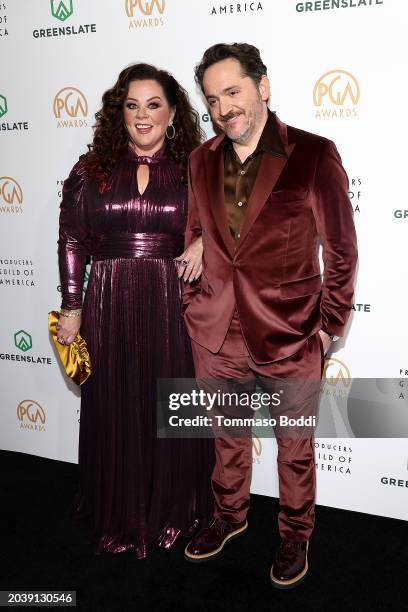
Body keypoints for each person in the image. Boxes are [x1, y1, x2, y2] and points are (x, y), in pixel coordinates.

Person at [182, 44, 358, 588]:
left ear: (263, 86)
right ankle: (231, 516)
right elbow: (196, 229)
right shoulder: (200, 158)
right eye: (212, 99)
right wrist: (194, 247)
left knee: (295, 449)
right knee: (226, 437)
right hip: (216, 329)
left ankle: (294, 534)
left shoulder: (313, 154)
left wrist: (328, 328)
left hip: (289, 331)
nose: (223, 108)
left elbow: (342, 250)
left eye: (233, 92)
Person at [57, 63, 214, 559]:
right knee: (115, 400)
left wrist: (205, 242)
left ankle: (175, 509)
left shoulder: (197, 168)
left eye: (153, 105)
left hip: (173, 300)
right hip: (107, 297)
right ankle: (118, 509)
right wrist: (72, 305)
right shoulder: (92, 169)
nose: (142, 116)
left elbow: (233, 224)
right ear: (118, 112)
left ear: (172, 113)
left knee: (169, 401)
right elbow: (72, 239)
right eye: (131, 105)